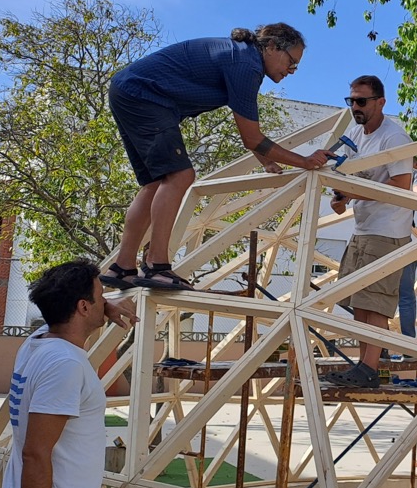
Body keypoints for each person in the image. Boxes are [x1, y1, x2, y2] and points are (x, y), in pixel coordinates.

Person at [100, 24, 333, 291]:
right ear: (271, 47)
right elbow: (252, 137)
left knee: (155, 184)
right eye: (291, 62)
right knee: (181, 176)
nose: (291, 71)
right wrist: (303, 161)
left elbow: (249, 133)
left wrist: (266, 160)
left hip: (128, 90)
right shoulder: (247, 66)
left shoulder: (241, 55)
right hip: (147, 96)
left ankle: (122, 267)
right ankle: (156, 266)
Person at [4, 260, 138, 488]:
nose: (106, 301)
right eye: (102, 295)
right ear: (84, 307)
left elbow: (62, 318)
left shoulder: (37, 342)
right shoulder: (64, 365)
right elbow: (35, 454)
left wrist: (102, 305)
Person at [323, 76, 413, 388]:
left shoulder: (395, 137)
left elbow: (401, 185)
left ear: (380, 102)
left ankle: (370, 367)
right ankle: (364, 366)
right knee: (360, 301)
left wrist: (354, 193)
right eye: (351, 101)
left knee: (375, 303)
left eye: (361, 101)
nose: (355, 108)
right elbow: (350, 173)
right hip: (363, 228)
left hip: (387, 230)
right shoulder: (354, 132)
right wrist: (343, 195)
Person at [390, 156, 417, 363]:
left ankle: (376, 346)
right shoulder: (415, 175)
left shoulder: (380, 173)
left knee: (377, 295)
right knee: (405, 296)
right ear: (413, 163)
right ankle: (407, 344)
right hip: (401, 237)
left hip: (374, 237)